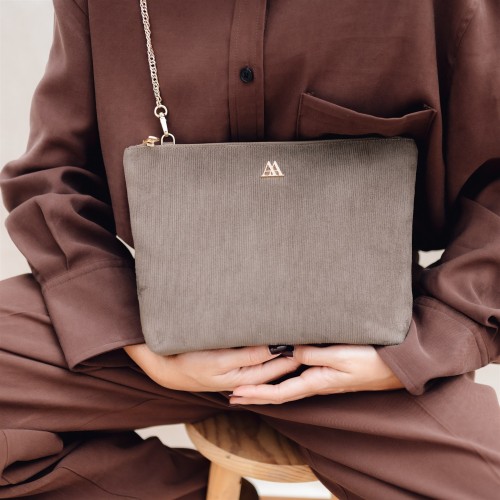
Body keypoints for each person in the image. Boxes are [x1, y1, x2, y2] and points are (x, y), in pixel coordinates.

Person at [1, 0, 500, 498]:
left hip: (367, 352)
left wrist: (420, 351)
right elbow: (55, 176)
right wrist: (136, 344)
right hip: (151, 327)